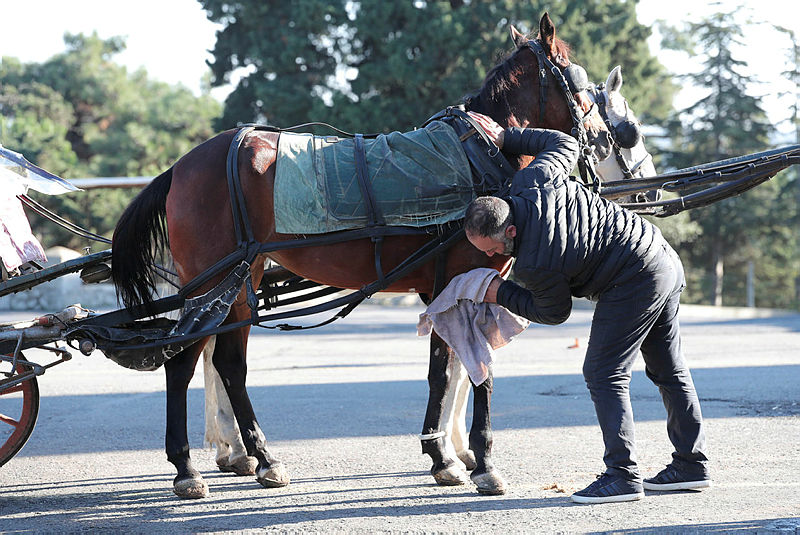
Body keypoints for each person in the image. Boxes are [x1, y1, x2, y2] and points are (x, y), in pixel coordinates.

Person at [463, 112, 710, 504]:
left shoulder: (535, 262)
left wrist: (498, 292)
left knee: (603, 371)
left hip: (632, 278)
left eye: (492, 248)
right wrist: (507, 137)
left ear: (509, 230)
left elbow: (553, 312)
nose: (492, 255)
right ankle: (690, 465)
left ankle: (622, 476)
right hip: (660, 255)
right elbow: (564, 143)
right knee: (668, 368)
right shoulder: (534, 180)